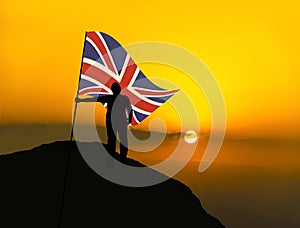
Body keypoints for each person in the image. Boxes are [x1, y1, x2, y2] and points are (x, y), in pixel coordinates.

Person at [76, 82, 133, 163]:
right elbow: (95, 99)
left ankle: (119, 159)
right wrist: (81, 100)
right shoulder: (121, 98)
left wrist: (80, 100)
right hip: (116, 121)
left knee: (116, 140)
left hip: (117, 121)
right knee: (115, 140)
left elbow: (130, 109)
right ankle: (116, 159)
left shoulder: (120, 98)